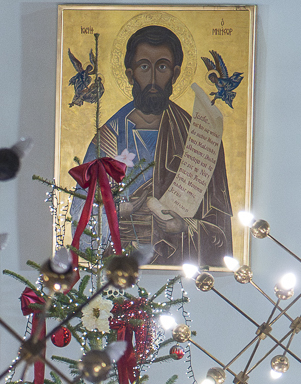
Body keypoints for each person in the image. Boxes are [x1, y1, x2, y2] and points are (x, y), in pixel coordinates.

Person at [83, 23, 236, 267]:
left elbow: (219, 228)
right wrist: (116, 211)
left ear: (175, 73)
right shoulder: (109, 137)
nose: (153, 79)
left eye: (162, 67)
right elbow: (81, 217)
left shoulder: (200, 138)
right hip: (118, 267)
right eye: (144, 67)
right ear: (130, 74)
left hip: (179, 265)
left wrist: (186, 226)